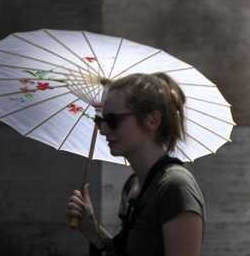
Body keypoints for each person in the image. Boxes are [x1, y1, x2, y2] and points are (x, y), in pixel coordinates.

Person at [65, 73, 204, 256]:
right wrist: (91, 228)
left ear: (152, 120)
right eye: (101, 120)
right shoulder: (133, 185)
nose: (103, 130)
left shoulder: (175, 187)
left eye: (114, 120)